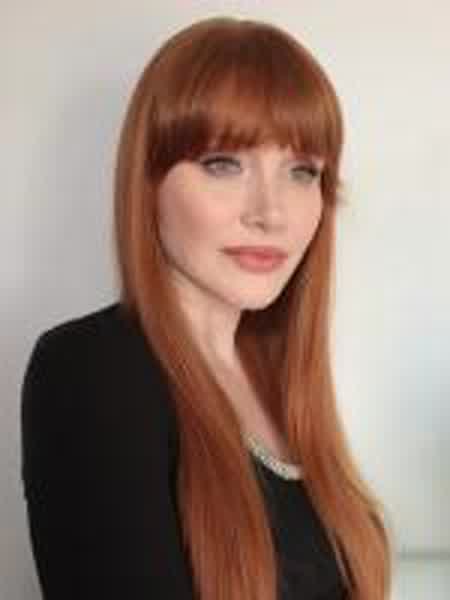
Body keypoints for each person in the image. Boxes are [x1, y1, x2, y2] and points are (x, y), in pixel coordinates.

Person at [21, 16, 392, 600]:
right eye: (224, 164)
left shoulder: (281, 378)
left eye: (302, 171)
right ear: (149, 183)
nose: (271, 213)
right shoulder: (93, 370)